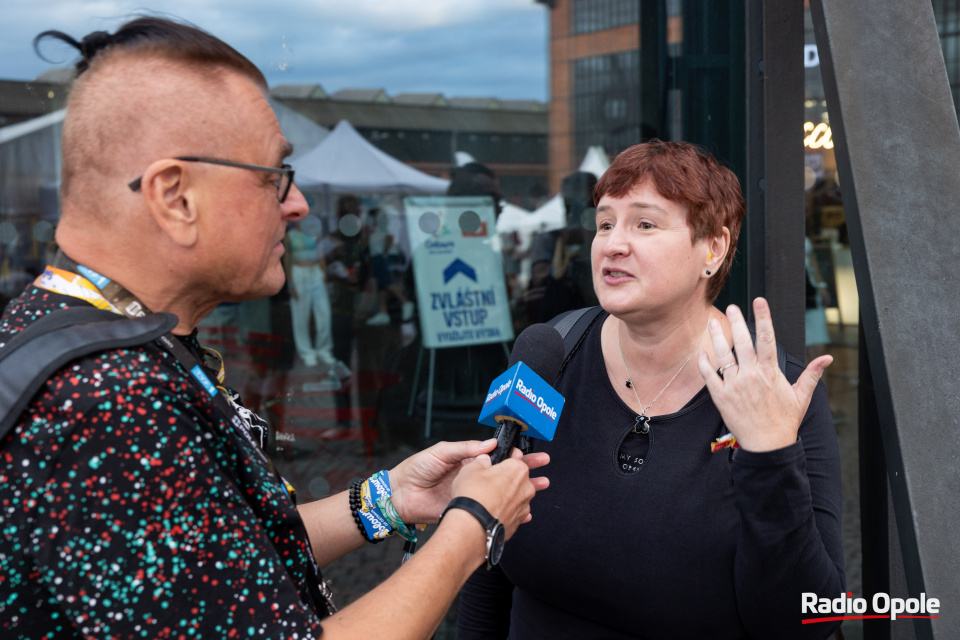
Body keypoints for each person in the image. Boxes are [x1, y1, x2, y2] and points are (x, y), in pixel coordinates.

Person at [0, 18, 549, 639]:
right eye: (274, 176)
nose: (298, 205)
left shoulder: (106, 348)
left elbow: (223, 562)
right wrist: (474, 523)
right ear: (175, 197)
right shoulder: (103, 401)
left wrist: (389, 499)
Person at [457, 140, 844, 639]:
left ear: (713, 248)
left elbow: (805, 622)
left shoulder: (774, 392)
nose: (613, 243)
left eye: (644, 223)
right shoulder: (551, 352)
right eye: (604, 223)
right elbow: (488, 554)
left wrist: (769, 456)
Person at [284, 215, 349, 382]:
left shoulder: (315, 233)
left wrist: (325, 277)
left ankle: (323, 349)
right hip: (299, 273)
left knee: (324, 313)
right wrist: (290, 284)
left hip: (316, 273)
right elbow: (287, 258)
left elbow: (321, 254)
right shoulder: (290, 236)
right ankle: (306, 352)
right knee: (300, 315)